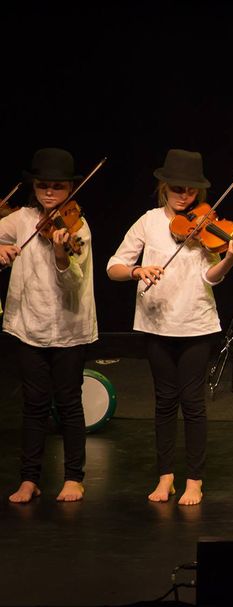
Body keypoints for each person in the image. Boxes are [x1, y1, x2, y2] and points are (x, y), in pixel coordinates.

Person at [107, 149, 233, 506]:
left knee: (193, 403)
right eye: (177, 189)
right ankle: (166, 476)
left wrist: (229, 258)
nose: (184, 196)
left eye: (191, 191)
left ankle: (195, 480)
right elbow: (114, 266)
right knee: (164, 402)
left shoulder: (205, 225)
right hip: (155, 323)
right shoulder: (149, 221)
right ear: (164, 187)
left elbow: (209, 277)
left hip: (196, 323)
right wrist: (138, 271)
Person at [2, 148, 97, 503]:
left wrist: (60, 253)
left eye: (57, 187)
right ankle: (29, 479)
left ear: (70, 188)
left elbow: (73, 283)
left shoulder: (77, 227)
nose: (49, 193)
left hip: (68, 327)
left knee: (69, 403)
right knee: (33, 404)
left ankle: (74, 477)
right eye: (43, 186)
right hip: (28, 325)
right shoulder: (22, 219)